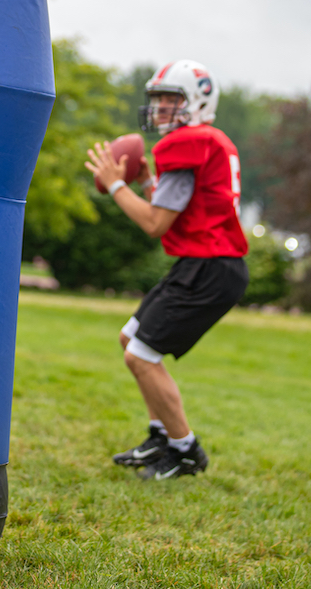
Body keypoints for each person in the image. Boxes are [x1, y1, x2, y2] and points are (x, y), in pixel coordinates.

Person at [85, 60, 248, 480]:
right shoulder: (205, 142)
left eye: (170, 99)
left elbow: (156, 223)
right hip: (204, 263)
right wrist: (142, 182)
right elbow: (179, 201)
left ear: (196, 101)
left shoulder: (190, 143)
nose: (159, 108)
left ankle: (185, 450)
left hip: (210, 268)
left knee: (141, 354)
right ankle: (162, 437)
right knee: (131, 339)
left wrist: (116, 184)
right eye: (156, 99)